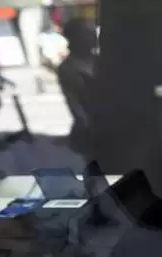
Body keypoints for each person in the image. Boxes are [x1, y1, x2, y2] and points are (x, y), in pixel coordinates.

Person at [57, 18, 98, 155]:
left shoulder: (102, 60)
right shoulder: (68, 68)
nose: (93, 37)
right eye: (88, 33)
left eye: (93, 33)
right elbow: (74, 104)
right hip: (91, 133)